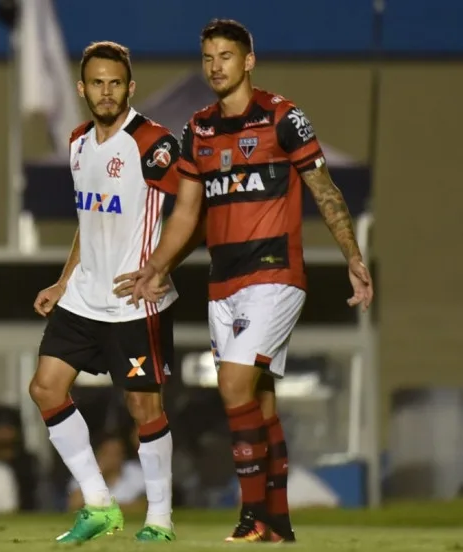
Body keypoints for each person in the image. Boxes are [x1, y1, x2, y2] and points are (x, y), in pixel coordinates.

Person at [122, 19, 374, 543]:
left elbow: (324, 189)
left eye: (226, 56)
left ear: (248, 61)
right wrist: (157, 265)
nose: (216, 65)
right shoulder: (199, 129)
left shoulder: (284, 117)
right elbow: (187, 214)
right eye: (209, 56)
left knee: (233, 386)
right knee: (258, 400)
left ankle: (252, 514)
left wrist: (352, 255)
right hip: (223, 282)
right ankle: (278, 523)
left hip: (276, 275)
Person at [29, 41, 179, 543]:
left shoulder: (152, 142)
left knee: (144, 410)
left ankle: (159, 519)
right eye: (97, 82)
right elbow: (87, 222)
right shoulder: (76, 143)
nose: (106, 91)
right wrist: (64, 279)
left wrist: (160, 266)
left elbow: (191, 208)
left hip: (135, 301)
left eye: (115, 83)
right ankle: (98, 503)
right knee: (45, 388)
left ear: (129, 88)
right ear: (82, 88)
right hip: (85, 295)